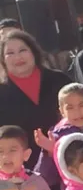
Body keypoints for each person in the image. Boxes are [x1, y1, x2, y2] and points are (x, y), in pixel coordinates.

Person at [0, 30, 72, 170]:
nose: (18, 57)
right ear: (3, 60)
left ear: (33, 52)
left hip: (70, 161)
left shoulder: (59, 80)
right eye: (10, 53)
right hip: (24, 172)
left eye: (23, 50)